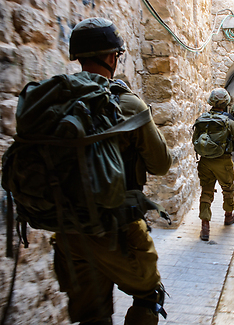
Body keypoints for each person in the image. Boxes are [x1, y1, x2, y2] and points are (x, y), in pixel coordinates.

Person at [52, 18, 172, 325]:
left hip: (69, 232)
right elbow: (161, 163)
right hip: (119, 228)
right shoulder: (127, 104)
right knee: (148, 298)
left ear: (78, 56)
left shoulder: (56, 101)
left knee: (93, 316)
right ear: (110, 57)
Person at [194, 88, 234, 241]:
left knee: (206, 191)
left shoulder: (202, 119)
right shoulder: (228, 121)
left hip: (204, 161)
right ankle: (228, 216)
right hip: (223, 161)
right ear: (226, 103)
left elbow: (195, 139)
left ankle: (205, 226)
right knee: (228, 189)